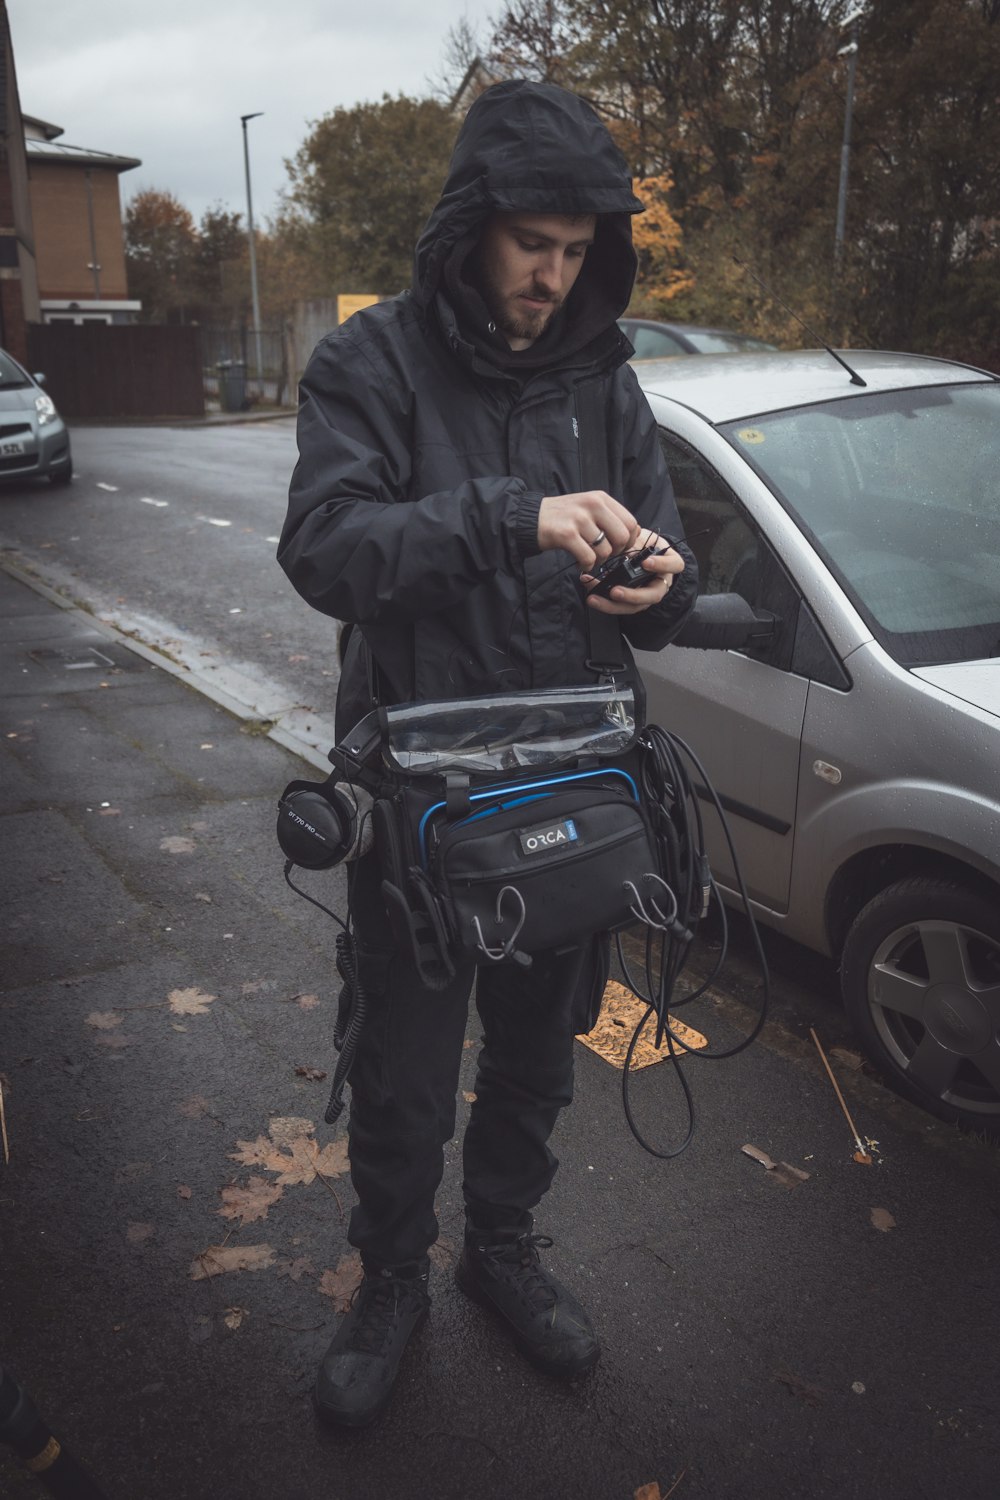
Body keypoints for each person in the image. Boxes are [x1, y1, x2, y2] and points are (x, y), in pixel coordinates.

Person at [278, 78, 699, 1428]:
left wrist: (664, 584)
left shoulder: (607, 378)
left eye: (579, 252)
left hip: (579, 793)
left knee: (537, 1059)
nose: (553, 276)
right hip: (420, 816)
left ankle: (500, 1256)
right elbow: (326, 550)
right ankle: (391, 1278)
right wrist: (512, 516)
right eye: (533, 245)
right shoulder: (371, 365)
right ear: (471, 226)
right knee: (405, 1071)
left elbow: (664, 547)